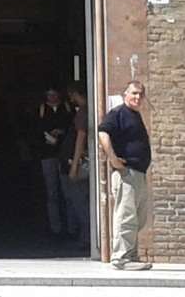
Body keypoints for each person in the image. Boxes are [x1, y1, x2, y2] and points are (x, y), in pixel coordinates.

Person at [97, 80, 152, 270]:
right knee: (126, 216)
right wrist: (112, 159)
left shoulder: (135, 115)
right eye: (134, 93)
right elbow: (103, 133)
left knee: (137, 217)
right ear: (125, 94)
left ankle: (131, 255)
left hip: (138, 173)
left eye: (140, 94)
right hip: (126, 174)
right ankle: (120, 258)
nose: (137, 97)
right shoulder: (118, 113)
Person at [35, 87, 74, 240]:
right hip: (47, 154)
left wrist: (61, 132)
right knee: (52, 193)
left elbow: (72, 127)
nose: (51, 97)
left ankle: (71, 228)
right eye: (49, 95)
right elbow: (35, 129)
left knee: (68, 192)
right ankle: (55, 228)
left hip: (65, 154)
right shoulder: (42, 109)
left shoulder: (67, 108)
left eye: (54, 94)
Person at [63, 88, 90, 242]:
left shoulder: (82, 113)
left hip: (82, 163)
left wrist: (74, 165)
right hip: (86, 160)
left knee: (78, 199)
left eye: (72, 95)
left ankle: (87, 236)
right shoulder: (87, 111)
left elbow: (80, 138)